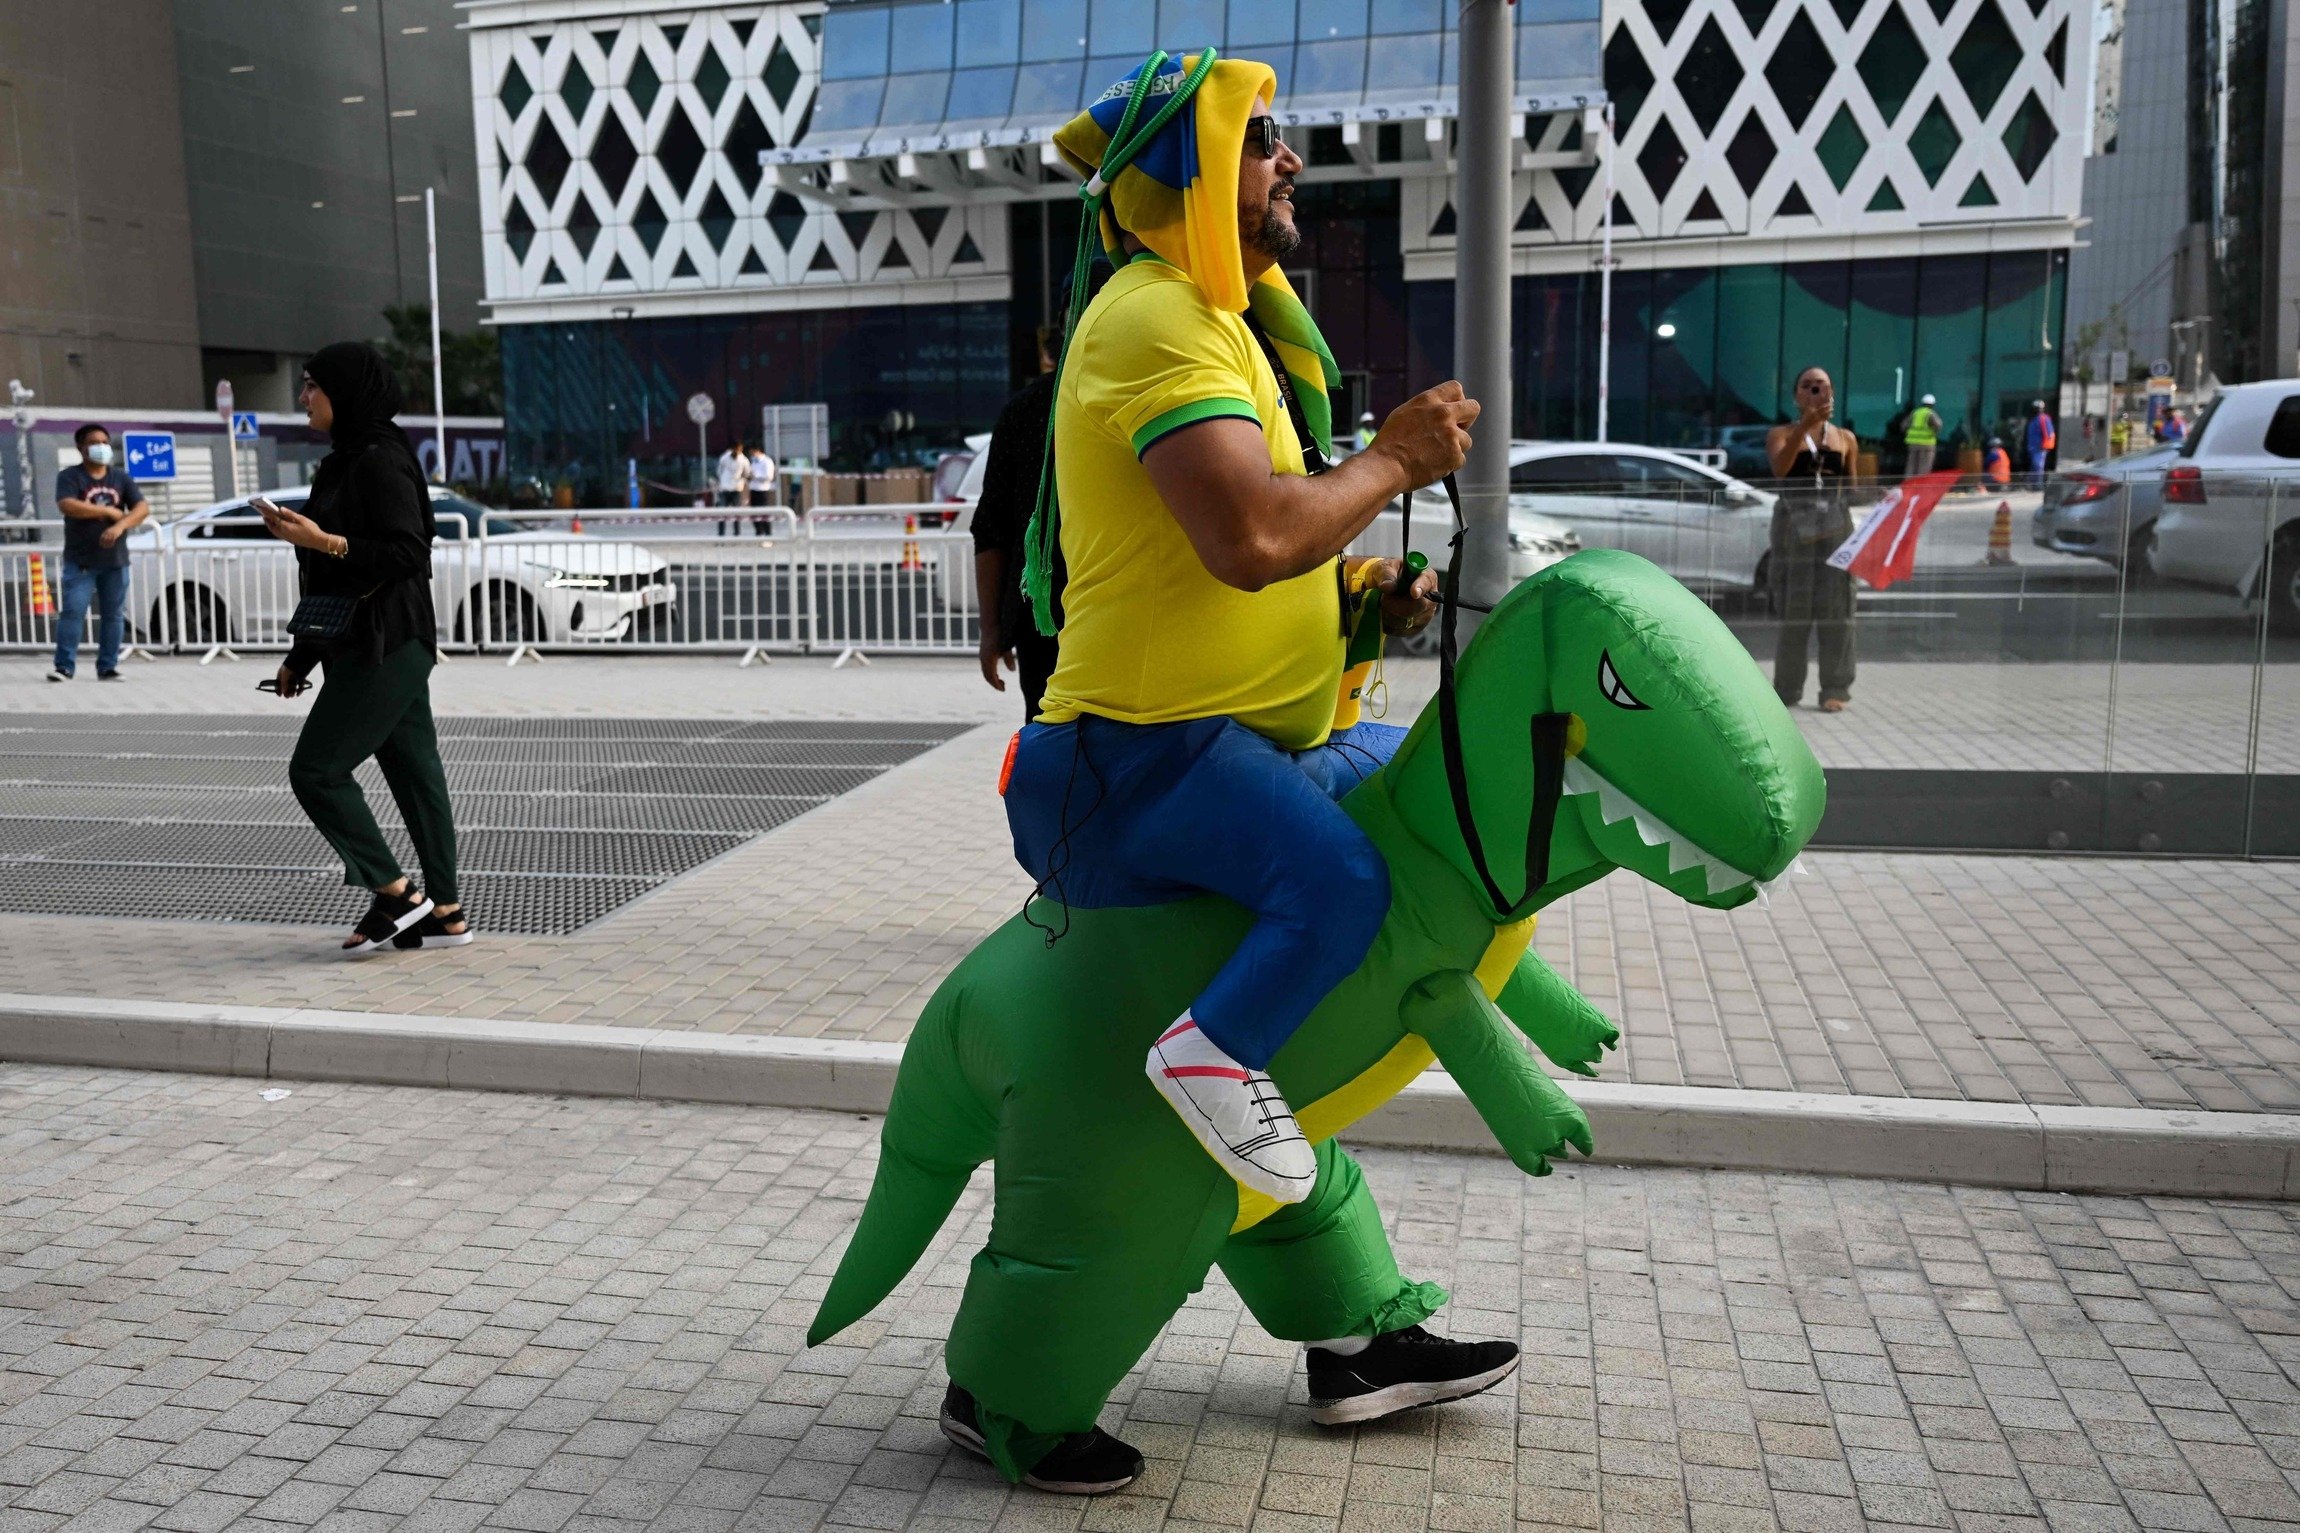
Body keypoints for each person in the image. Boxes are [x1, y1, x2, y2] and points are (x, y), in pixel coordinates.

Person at [1007, 65, 1463, 1211]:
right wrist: (1396, 461)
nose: (1290, 159)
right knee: (1343, 883)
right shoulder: (1160, 315)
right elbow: (1252, 537)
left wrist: (1361, 594)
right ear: (1188, 170)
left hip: (1215, 740)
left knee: (1402, 775)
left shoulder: (1219, 320)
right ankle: (1208, 1057)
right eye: (1262, 137)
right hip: (1142, 754)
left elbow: (1249, 548)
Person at [259, 342, 467, 957]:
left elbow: (409, 553)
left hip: (389, 640)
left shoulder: (380, 459)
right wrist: (302, 655)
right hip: (359, 639)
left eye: (311, 386)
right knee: (414, 771)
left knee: (316, 771)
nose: (302, 398)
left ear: (345, 391)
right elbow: (329, 573)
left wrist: (327, 541)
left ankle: (398, 894)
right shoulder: (342, 461)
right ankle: (448, 912)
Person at [972, 272, 1110, 719]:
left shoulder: (1026, 409)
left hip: (1052, 623)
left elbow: (990, 527)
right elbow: (991, 526)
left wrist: (992, 631)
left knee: (1060, 761)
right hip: (1093, 623)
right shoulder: (1156, 399)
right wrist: (992, 631)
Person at [1766, 367, 1857, 712]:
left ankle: (1836, 687)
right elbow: (1780, 469)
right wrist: (1804, 428)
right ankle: (1787, 690)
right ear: (1796, 396)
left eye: (1822, 386)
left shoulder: (1845, 437)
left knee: (1838, 612)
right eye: (1807, 386)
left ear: (1832, 392)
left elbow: (1852, 488)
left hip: (1835, 530)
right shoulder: (1781, 433)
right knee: (1795, 612)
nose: (1815, 391)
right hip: (1794, 531)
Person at [49, 424, 148, 683]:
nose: (102, 447)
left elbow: (141, 508)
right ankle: (64, 667)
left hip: (115, 561)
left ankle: (107, 667)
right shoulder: (71, 477)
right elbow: (67, 505)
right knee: (73, 611)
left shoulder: (120, 478)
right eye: (95, 442)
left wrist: (119, 525)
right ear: (81, 447)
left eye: (105, 442)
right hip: (81, 560)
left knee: (113, 615)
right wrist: (107, 511)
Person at [1903, 392, 1942, 478]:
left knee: (1911, 466)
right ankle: (1920, 488)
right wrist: (1933, 432)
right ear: (1932, 405)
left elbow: (1904, 426)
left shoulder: (1914, 413)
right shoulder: (1930, 413)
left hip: (1913, 444)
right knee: (1924, 468)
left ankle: (1908, 486)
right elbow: (1938, 425)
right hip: (1927, 444)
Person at [713, 438, 748, 534]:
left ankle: (732, 534)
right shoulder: (726, 458)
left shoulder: (742, 460)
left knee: (732, 514)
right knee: (725, 514)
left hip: (733, 488)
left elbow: (746, 473)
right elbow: (719, 471)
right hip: (729, 488)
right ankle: (726, 534)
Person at [747, 441, 777, 534]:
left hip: (763, 490)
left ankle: (768, 534)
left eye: (752, 451)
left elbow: (769, 477)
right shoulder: (753, 461)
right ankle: (758, 532)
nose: (751, 454)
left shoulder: (767, 461)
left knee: (764, 513)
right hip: (753, 489)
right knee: (754, 514)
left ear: (757, 450)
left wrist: (756, 476)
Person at [2026, 399, 2056, 480]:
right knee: (2034, 466)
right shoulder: (2033, 420)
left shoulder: (2044, 418)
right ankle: (2033, 484)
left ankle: (2037, 485)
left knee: (2038, 466)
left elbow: (2049, 434)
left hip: (2039, 448)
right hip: (2032, 447)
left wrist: (2044, 446)